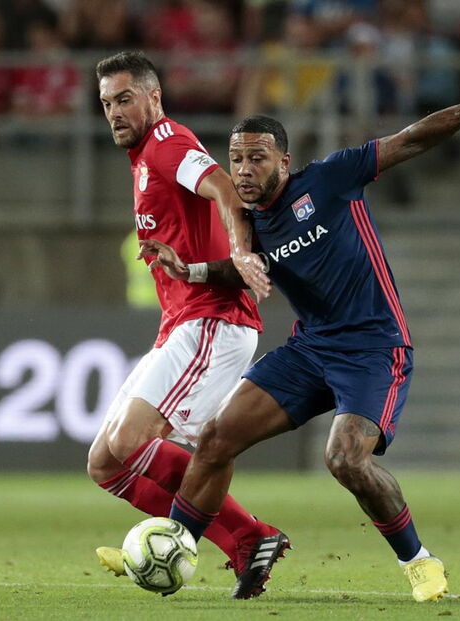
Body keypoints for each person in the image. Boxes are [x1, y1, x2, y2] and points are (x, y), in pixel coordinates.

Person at [160, 59, 460, 602]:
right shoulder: (250, 224)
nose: (242, 170)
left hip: (374, 348)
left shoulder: (330, 178)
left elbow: (412, 139)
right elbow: (246, 270)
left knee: (344, 460)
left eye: (256, 158)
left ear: (283, 161)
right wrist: (193, 270)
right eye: (236, 159)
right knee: (216, 437)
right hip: (310, 349)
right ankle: (172, 545)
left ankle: (419, 560)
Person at [86, 51, 286, 600]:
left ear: (154, 97)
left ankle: (246, 537)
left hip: (213, 320)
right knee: (105, 463)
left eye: (124, 99)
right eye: (106, 103)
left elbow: (223, 187)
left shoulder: (168, 142)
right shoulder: (143, 157)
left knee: (130, 441)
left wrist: (241, 252)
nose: (114, 112)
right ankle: (245, 539)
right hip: (182, 323)